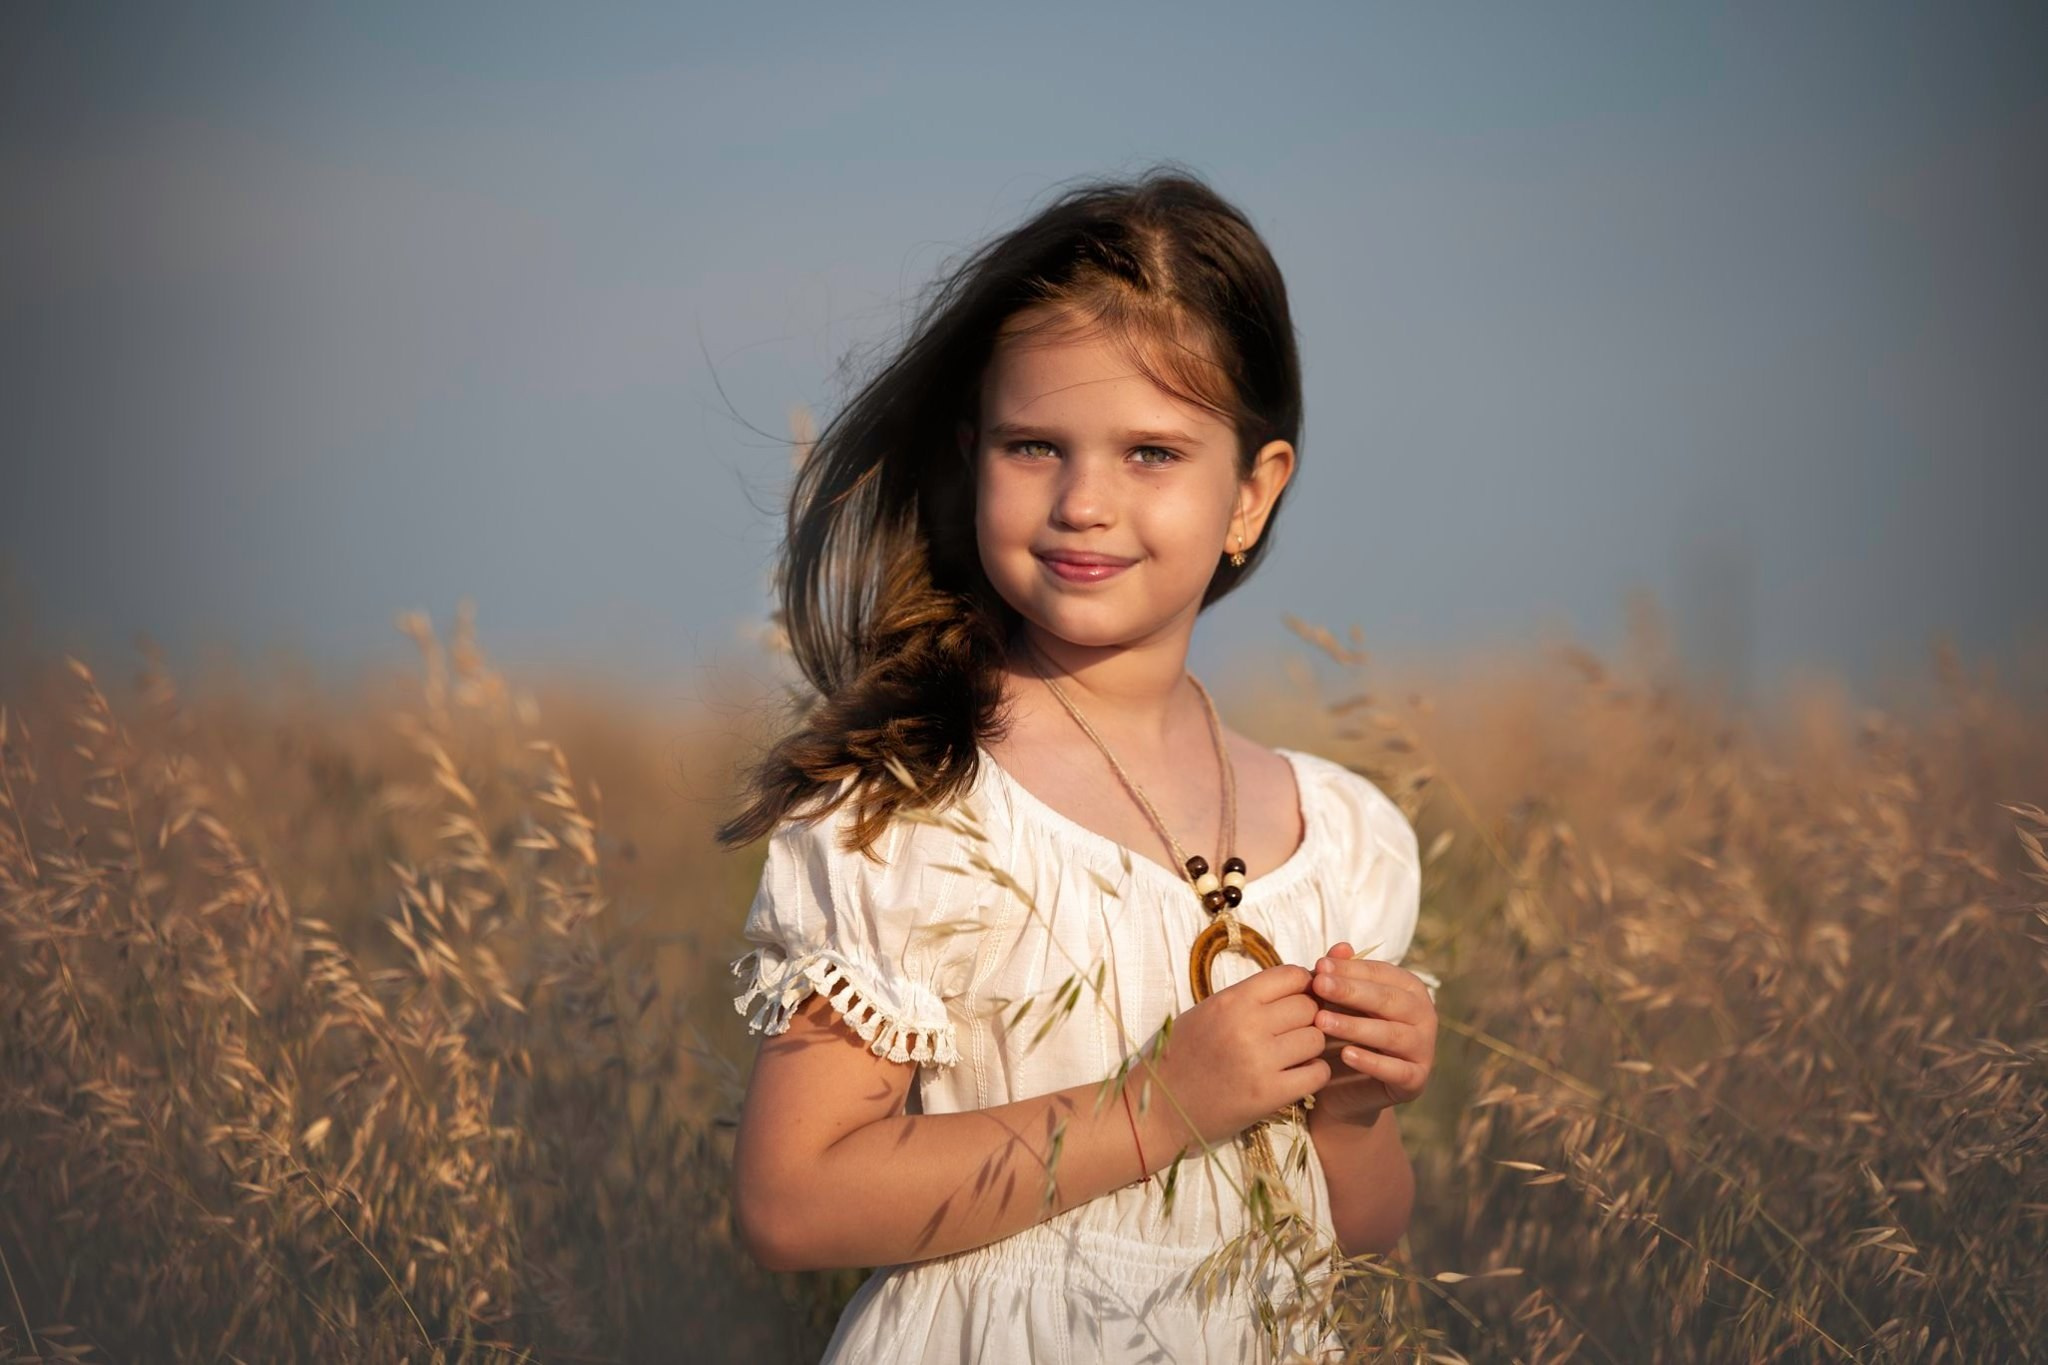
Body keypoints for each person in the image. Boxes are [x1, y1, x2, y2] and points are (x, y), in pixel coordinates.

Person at [719, 166, 1442, 1364]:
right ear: (972, 459)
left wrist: (1358, 1113)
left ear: (1251, 495)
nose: (1084, 502)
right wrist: (1159, 1106)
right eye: (1035, 446)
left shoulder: (1345, 839)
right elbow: (789, 1203)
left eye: (1152, 453)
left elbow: (1354, 1235)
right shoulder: (908, 804)